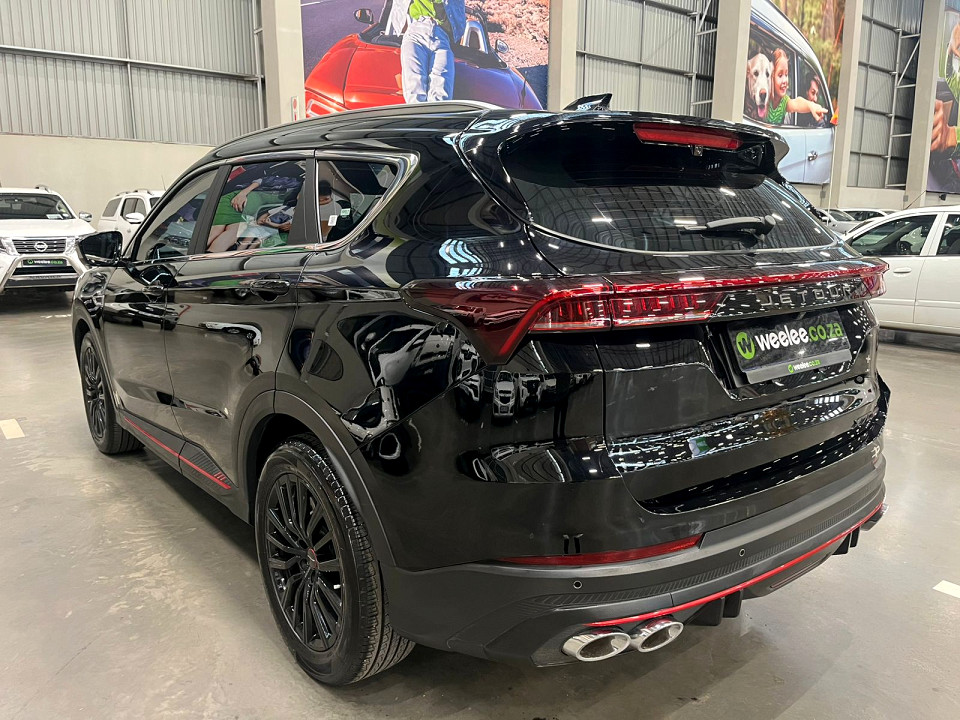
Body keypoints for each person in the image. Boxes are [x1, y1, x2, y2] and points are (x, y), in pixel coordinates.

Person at [389, 0, 466, 104]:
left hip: (442, 38)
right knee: (414, 89)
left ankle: (434, 114)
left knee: (441, 92)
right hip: (416, 31)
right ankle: (420, 113)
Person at [767, 49, 827, 125]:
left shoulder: (784, 102)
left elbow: (797, 103)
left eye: (786, 75)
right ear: (771, 76)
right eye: (780, 75)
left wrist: (811, 106)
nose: (785, 80)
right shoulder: (765, 98)